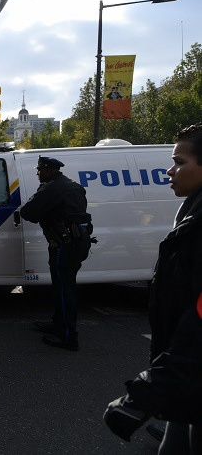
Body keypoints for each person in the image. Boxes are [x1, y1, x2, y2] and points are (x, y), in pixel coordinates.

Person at [103, 123, 202, 451]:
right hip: (185, 381)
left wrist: (146, 391)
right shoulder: (191, 210)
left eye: (180, 162)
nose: (170, 171)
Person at [19, 156, 92, 351]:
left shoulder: (52, 188)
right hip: (76, 241)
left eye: (41, 170)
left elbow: (28, 212)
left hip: (65, 244)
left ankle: (68, 337)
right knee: (63, 286)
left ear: (50, 170)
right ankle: (58, 324)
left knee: (64, 290)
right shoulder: (70, 185)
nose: (38, 174)